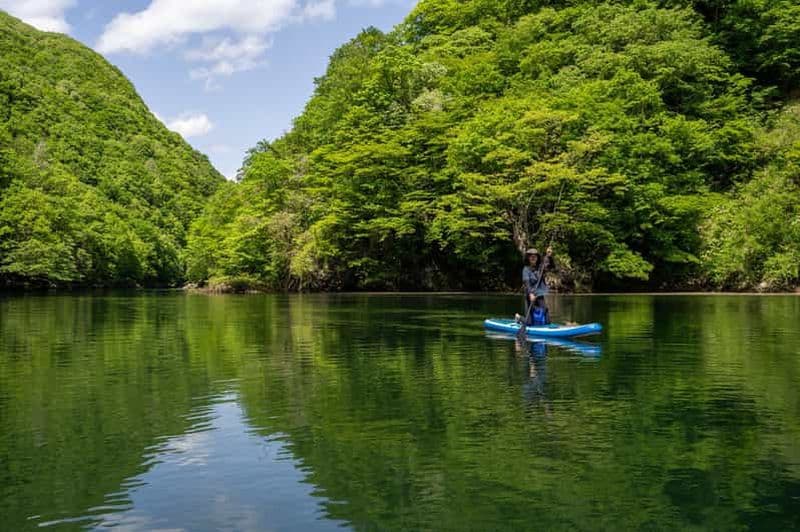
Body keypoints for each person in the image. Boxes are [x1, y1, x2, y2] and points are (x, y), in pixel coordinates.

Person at [516, 247, 556, 326]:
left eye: (535, 256)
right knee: (529, 323)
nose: (533, 257)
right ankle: (519, 317)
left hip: (539, 295)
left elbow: (552, 266)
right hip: (530, 296)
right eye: (531, 256)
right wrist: (530, 294)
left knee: (547, 321)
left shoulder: (541, 268)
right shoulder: (526, 269)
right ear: (528, 258)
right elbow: (526, 283)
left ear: (537, 258)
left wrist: (549, 256)